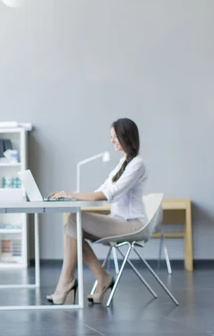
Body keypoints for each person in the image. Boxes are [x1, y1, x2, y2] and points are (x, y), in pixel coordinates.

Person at [46, 118, 147, 305]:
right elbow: (100, 190)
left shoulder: (137, 164)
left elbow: (110, 193)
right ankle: (100, 278)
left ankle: (67, 281)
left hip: (132, 225)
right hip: (118, 221)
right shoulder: (122, 163)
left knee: (74, 221)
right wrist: (69, 196)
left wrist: (71, 194)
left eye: (115, 137)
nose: (112, 141)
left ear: (126, 137)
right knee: (72, 226)